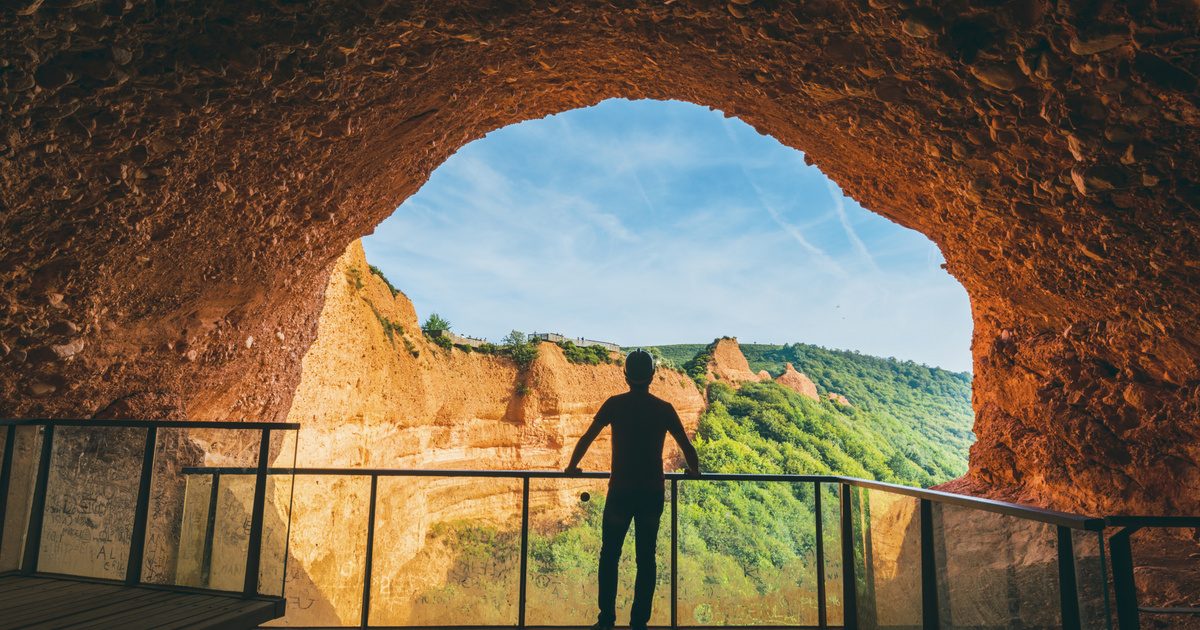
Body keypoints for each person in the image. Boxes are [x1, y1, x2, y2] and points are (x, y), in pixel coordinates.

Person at [565, 349, 700, 630]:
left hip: (621, 492)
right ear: (652, 376)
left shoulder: (614, 405)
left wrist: (572, 466)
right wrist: (694, 471)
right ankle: (639, 623)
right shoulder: (664, 409)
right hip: (651, 493)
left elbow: (587, 437)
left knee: (610, 555)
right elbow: (687, 447)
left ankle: (606, 620)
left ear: (625, 375)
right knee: (646, 558)